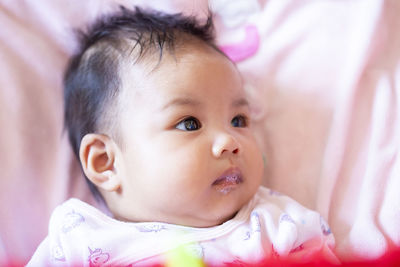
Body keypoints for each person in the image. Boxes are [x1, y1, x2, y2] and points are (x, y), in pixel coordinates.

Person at [28, 7, 338, 266]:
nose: (229, 142)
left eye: (238, 120)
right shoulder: (77, 241)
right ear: (105, 161)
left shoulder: (278, 225)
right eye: (189, 123)